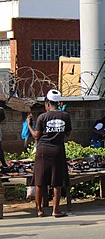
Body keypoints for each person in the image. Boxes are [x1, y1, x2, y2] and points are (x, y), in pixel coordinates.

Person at [27, 89, 72, 218]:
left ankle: (39, 210)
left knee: (40, 181)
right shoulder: (65, 116)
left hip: (43, 151)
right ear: (60, 103)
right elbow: (68, 133)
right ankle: (56, 210)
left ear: (47, 103)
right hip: (58, 150)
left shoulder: (42, 117)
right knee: (57, 181)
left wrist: (29, 125)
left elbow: (36, 136)